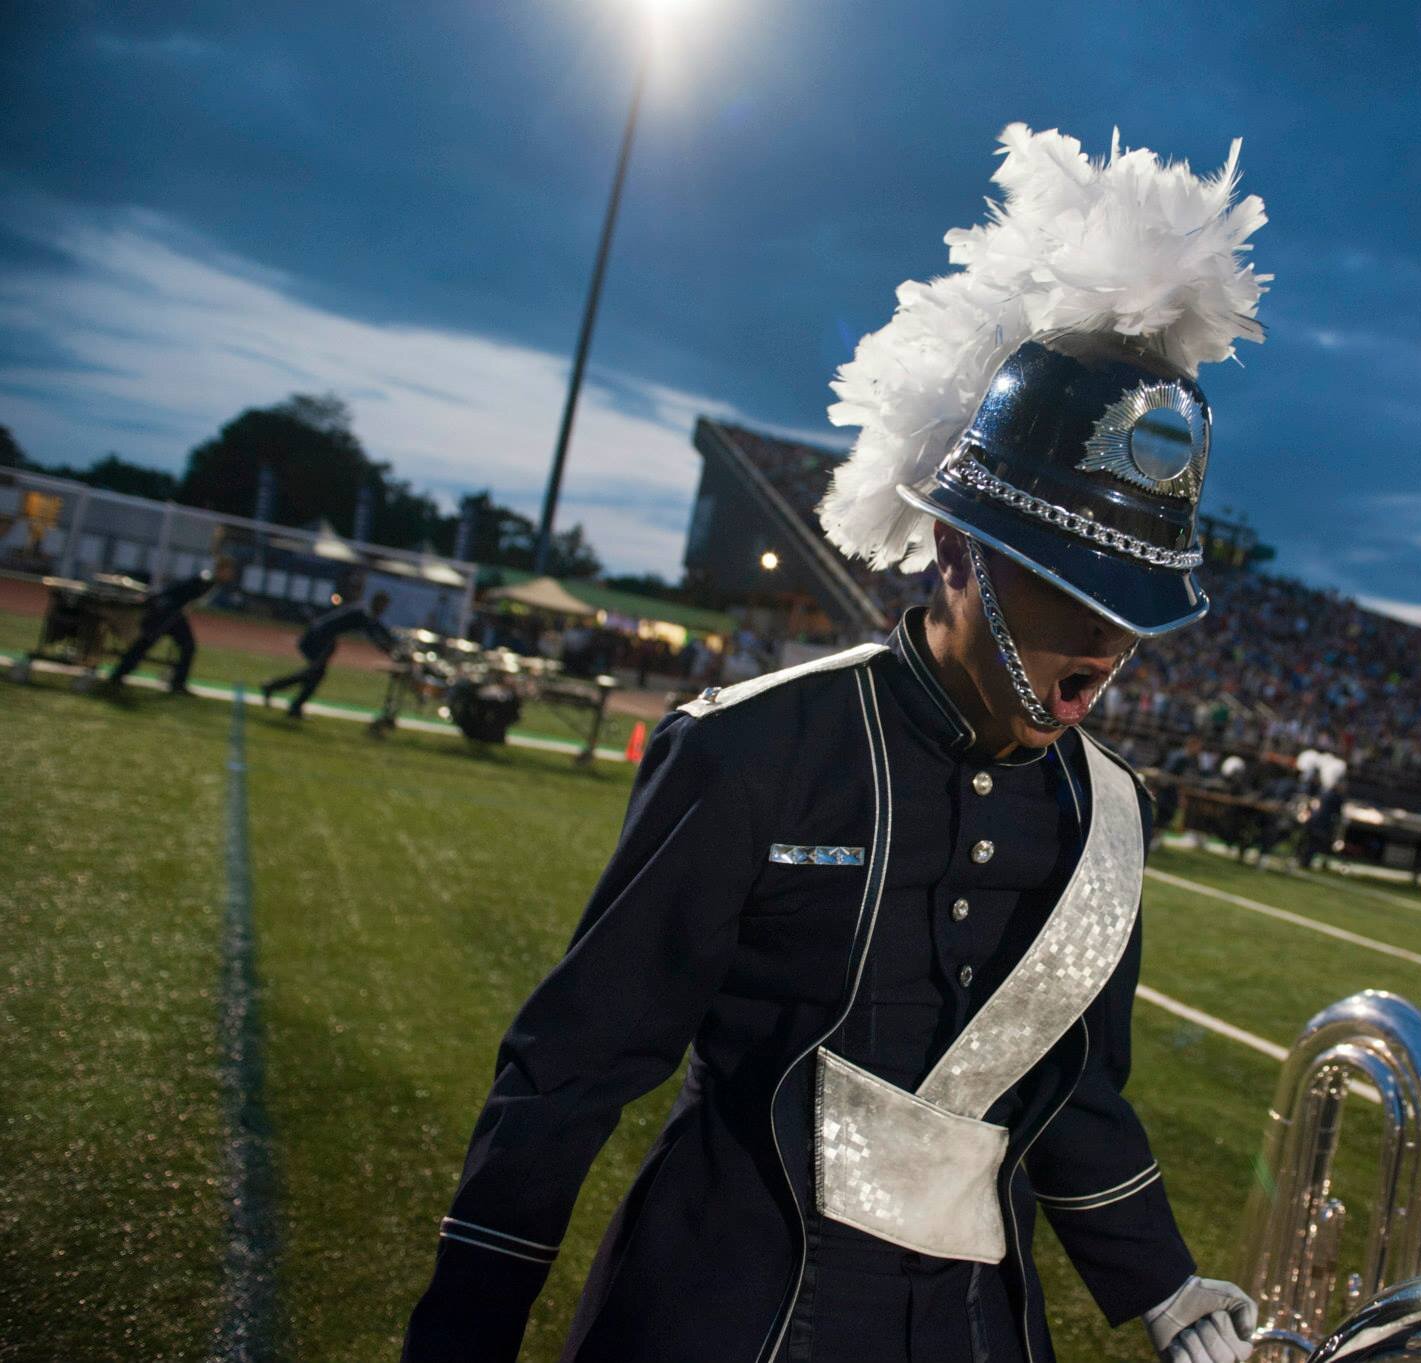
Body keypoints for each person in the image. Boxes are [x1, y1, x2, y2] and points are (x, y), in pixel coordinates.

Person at [404, 123, 1268, 1363]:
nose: (1109, 638)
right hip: (721, 1310)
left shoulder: (1110, 814)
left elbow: (1070, 1090)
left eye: (1136, 607)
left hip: (975, 1330)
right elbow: (571, 1069)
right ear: (961, 554)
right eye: (1073, 589)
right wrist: (465, 1329)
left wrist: (1165, 1284)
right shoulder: (754, 751)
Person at [101, 554, 237, 694]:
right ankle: (118, 675)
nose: (231, 574)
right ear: (221, 569)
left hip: (175, 616)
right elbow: (176, 591)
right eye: (229, 570)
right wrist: (155, 602)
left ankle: (177, 683)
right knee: (144, 644)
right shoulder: (205, 580)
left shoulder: (212, 583)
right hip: (166, 614)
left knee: (187, 646)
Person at [259, 590, 396, 718]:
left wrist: (393, 641)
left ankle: (287, 700)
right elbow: (373, 633)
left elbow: (378, 628)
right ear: (378, 604)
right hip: (319, 639)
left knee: (315, 674)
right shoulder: (363, 613)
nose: (384, 610)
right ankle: (276, 690)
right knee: (315, 673)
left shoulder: (363, 611)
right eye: (383, 606)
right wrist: (390, 649)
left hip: (322, 639)